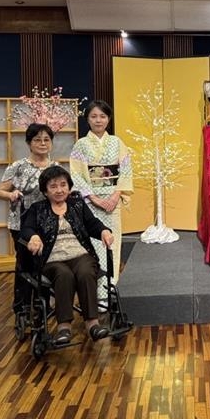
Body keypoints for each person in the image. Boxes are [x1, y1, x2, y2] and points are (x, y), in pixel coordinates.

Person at [20, 166, 114, 343]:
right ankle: (64, 327)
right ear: (45, 190)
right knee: (64, 275)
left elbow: (92, 223)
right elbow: (27, 228)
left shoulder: (77, 204)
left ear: (69, 187)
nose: (59, 190)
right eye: (53, 186)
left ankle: (92, 324)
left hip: (80, 254)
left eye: (63, 185)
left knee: (86, 271)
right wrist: (33, 237)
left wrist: (104, 231)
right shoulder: (37, 208)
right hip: (52, 259)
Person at [70, 100, 133, 305]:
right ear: (87, 119)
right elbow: (76, 174)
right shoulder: (80, 145)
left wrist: (115, 196)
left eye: (103, 116)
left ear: (109, 119)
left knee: (113, 244)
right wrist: (94, 198)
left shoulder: (117, 142)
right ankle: (97, 293)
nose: (98, 120)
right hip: (91, 202)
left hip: (112, 200)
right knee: (95, 245)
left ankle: (111, 288)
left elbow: (126, 170)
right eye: (94, 116)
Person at [0, 123, 59, 316]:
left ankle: (43, 304)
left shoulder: (55, 167)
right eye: (37, 140)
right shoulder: (18, 166)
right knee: (25, 264)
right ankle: (22, 306)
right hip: (21, 223)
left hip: (48, 224)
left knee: (46, 263)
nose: (42, 143)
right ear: (28, 143)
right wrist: (11, 194)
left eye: (46, 140)